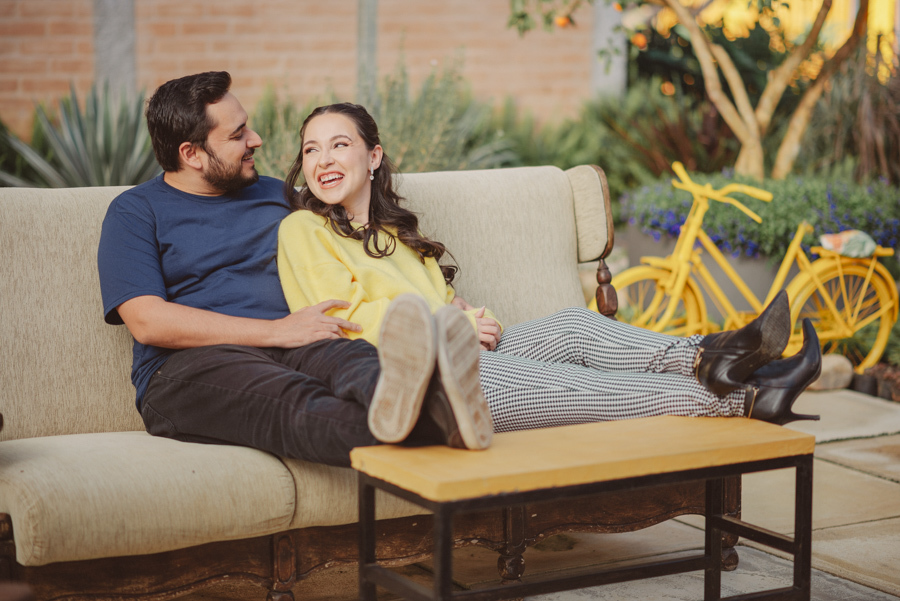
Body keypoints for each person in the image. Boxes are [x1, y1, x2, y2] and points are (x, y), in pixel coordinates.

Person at [276, 102, 823, 439]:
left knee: (574, 324)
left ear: (373, 157)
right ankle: (746, 396)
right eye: (311, 150)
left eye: (339, 145)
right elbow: (346, 318)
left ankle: (716, 355)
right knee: (597, 388)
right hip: (428, 381)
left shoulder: (395, 231)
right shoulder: (303, 230)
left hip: (462, 350)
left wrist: (461, 309)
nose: (322, 160)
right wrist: (457, 324)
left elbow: (434, 298)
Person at [97, 72, 494, 470]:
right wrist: (275, 331)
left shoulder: (279, 195)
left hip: (300, 343)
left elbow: (358, 238)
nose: (256, 140)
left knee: (361, 363)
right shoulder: (135, 212)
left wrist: (439, 298)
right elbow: (147, 321)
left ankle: (439, 407)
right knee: (295, 402)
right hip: (190, 366)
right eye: (237, 136)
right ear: (192, 154)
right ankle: (439, 425)